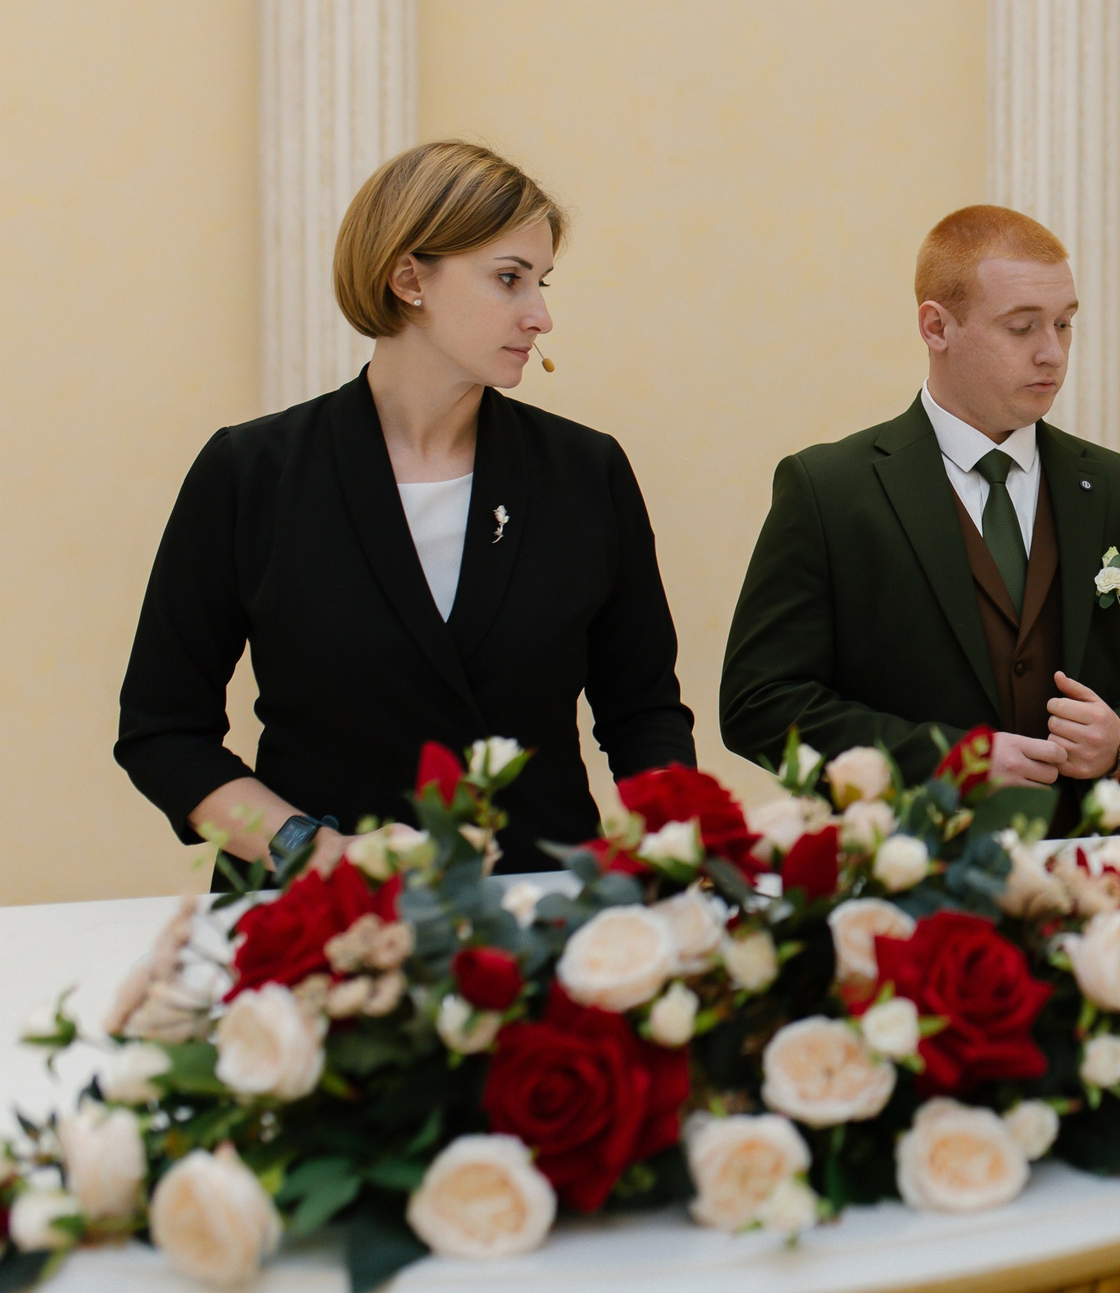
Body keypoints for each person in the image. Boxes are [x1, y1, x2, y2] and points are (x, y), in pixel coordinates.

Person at [116, 141, 694, 879]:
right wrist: (310, 849)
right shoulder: (251, 473)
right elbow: (163, 732)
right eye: (510, 279)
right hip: (323, 927)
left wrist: (679, 851)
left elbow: (643, 713)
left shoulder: (587, 472)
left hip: (540, 913)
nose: (541, 315)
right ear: (408, 277)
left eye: (542, 282)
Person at [720, 205, 1120, 835]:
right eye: (1022, 328)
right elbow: (759, 705)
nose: (1052, 353)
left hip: (1096, 880)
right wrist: (943, 761)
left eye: (1064, 324)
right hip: (904, 880)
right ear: (936, 326)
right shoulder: (829, 491)